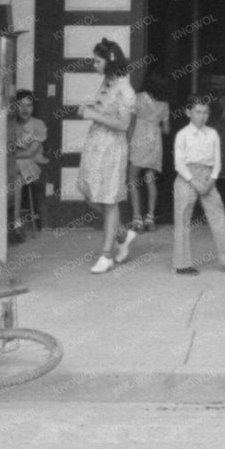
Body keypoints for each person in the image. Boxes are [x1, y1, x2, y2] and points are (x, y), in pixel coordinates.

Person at [78, 39, 138, 273]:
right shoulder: (108, 81)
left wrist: (92, 114)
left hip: (112, 148)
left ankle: (107, 254)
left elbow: (123, 124)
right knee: (89, 193)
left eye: (97, 61)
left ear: (110, 61)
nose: (94, 64)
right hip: (95, 145)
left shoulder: (125, 89)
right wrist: (91, 112)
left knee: (109, 199)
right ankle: (122, 234)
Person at [172, 95, 225, 275]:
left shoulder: (212, 133)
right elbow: (179, 163)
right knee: (182, 219)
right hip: (187, 177)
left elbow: (217, 161)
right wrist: (193, 181)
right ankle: (181, 263)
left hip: (208, 177)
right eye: (198, 112)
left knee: (219, 216)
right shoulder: (182, 134)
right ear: (188, 112)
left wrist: (212, 180)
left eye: (205, 112)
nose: (202, 116)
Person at [10, 88, 48, 240]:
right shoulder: (11, 124)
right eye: (20, 105)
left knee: (16, 172)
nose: (25, 109)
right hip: (14, 165)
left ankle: (15, 222)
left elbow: (30, 153)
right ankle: (13, 222)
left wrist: (9, 158)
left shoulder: (38, 125)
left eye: (29, 105)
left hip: (33, 164)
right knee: (15, 177)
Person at [129, 85, 168, 233]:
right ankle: (150, 218)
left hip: (139, 138)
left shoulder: (138, 98)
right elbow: (167, 129)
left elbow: (132, 123)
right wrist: (155, 123)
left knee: (132, 179)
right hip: (155, 143)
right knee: (150, 179)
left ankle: (137, 219)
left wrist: (128, 143)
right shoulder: (164, 104)